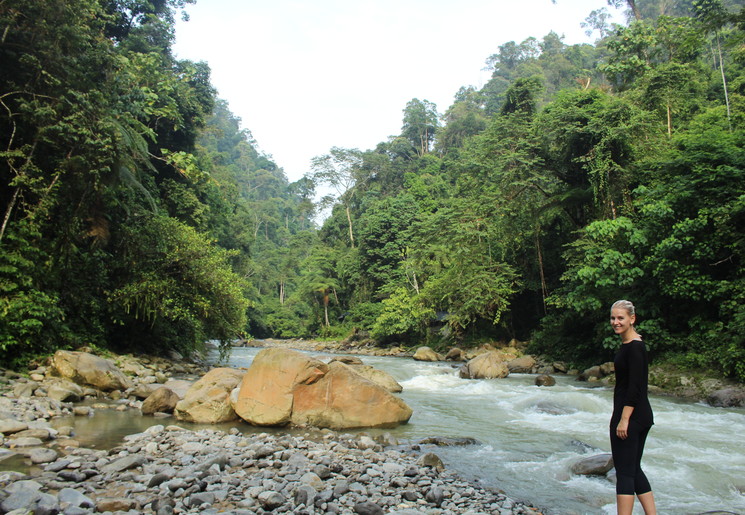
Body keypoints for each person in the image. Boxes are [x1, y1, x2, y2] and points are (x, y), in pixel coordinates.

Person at [609, 300, 657, 515]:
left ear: (632, 319)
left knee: (625, 472)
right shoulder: (632, 344)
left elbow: (635, 388)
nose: (616, 322)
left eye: (621, 318)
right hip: (640, 415)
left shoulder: (635, 347)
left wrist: (624, 419)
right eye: (613, 318)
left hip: (631, 416)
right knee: (633, 468)